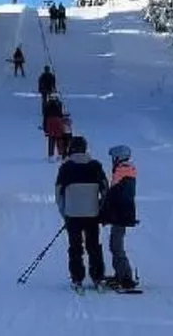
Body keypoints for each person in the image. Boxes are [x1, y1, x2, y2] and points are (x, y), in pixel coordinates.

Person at [55, 136, 107, 288]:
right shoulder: (96, 166)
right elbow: (105, 189)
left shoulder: (66, 167)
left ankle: (77, 278)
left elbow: (59, 194)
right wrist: (100, 208)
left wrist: (64, 213)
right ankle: (98, 277)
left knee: (75, 247)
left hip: (72, 214)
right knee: (94, 246)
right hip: (92, 213)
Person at [100, 144, 139, 290]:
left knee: (116, 246)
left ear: (118, 157)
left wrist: (105, 213)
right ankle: (120, 274)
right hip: (123, 213)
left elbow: (113, 195)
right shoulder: (127, 170)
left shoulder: (121, 171)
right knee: (115, 245)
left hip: (121, 214)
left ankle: (126, 277)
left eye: (113, 157)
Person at [42, 95, 68, 160]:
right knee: (59, 138)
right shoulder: (59, 103)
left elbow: (45, 115)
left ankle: (51, 155)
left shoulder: (47, 104)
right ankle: (60, 154)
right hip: (58, 121)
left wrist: (45, 127)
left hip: (50, 121)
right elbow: (61, 113)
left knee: (51, 139)